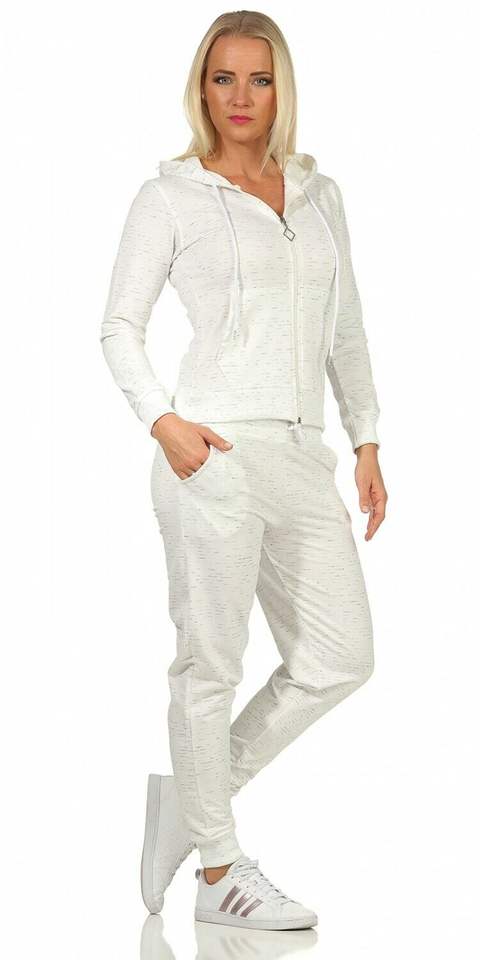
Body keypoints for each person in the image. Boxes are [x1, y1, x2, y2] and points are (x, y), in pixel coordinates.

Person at [100, 10, 388, 931]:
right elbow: (119, 327)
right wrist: (165, 423)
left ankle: (191, 804)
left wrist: (367, 436)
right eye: (222, 78)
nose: (239, 97)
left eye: (257, 79)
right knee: (210, 667)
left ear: (281, 88)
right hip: (212, 455)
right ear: (201, 87)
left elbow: (346, 326)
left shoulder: (319, 193)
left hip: (304, 458)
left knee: (340, 659)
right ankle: (219, 868)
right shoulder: (170, 196)